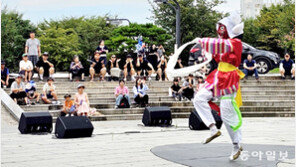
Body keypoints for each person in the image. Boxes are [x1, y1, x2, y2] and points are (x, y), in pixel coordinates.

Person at [192, 12, 245, 160]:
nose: (220, 34)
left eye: (223, 30)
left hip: (230, 77)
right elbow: (213, 50)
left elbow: (219, 45)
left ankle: (236, 145)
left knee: (227, 113)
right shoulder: (221, 43)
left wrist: (202, 41)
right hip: (218, 75)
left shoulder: (235, 43)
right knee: (198, 98)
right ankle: (212, 128)